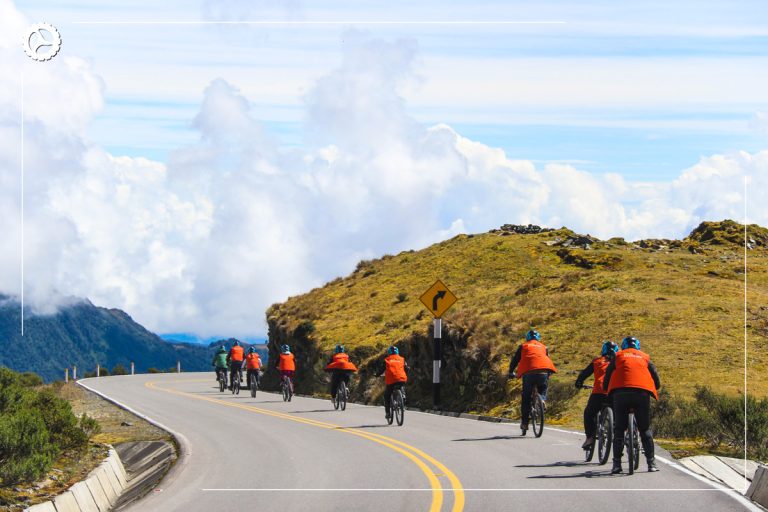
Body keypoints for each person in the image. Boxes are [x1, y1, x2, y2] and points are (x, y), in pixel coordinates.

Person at [603, 336, 661, 474]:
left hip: (620, 394)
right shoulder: (645, 357)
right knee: (645, 429)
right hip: (641, 393)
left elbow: (608, 376)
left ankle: (617, 464)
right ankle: (651, 463)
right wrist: (655, 387)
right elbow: (655, 377)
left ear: (623, 346)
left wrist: (607, 390)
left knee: (619, 430)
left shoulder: (618, 355)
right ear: (638, 347)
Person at [507, 329, 557, 435]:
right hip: (543, 371)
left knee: (526, 398)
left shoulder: (523, 346)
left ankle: (525, 423)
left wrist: (511, 372)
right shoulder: (544, 347)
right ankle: (542, 399)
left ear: (527, 338)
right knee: (543, 387)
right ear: (538, 338)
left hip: (528, 373)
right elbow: (546, 359)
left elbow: (515, 360)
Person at [575, 340, 618, 449]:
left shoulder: (598, 361)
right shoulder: (619, 362)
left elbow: (584, 373)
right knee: (620, 415)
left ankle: (589, 438)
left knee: (589, 413)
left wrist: (579, 382)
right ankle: (624, 436)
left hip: (599, 391)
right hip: (615, 392)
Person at [382, 346, 409, 421]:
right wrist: (405, 374)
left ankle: (388, 413)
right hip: (401, 378)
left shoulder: (387, 359)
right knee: (401, 385)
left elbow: (381, 369)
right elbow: (407, 368)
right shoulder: (402, 359)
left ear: (389, 352)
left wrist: (377, 375)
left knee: (387, 395)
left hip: (391, 380)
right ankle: (403, 397)